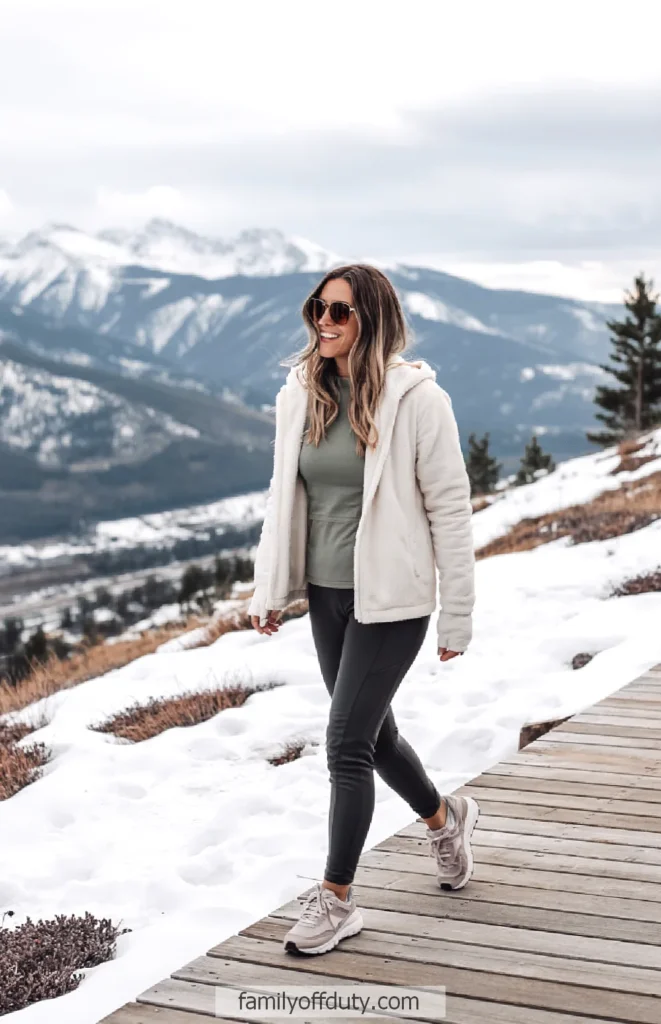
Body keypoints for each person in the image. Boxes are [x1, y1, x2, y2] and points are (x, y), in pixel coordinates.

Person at [249, 264, 478, 956]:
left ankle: (336, 900)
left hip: (392, 600)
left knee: (345, 744)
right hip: (324, 593)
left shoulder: (416, 401)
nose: (324, 320)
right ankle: (444, 821)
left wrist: (456, 614)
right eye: (318, 307)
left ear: (369, 320)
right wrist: (270, 589)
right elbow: (283, 497)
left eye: (340, 311)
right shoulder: (303, 393)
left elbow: (450, 507)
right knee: (373, 738)